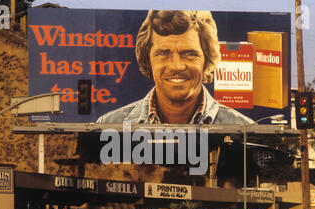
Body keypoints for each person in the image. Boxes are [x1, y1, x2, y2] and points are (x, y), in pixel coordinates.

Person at [96, 10, 254, 125]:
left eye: (189, 53)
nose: (176, 66)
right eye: (164, 53)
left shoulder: (245, 129)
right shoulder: (108, 125)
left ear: (207, 59)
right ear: (147, 60)